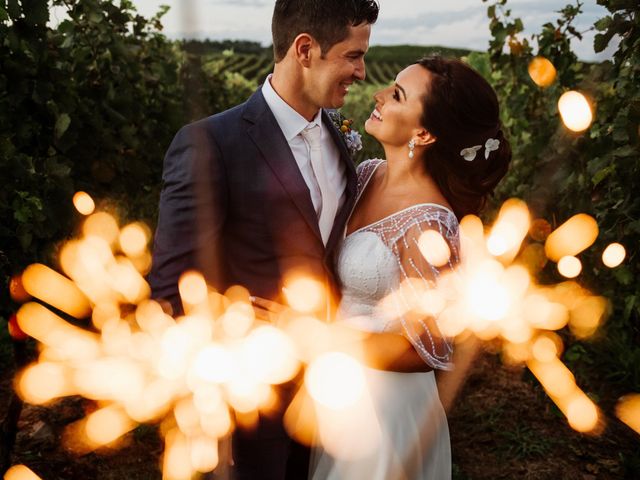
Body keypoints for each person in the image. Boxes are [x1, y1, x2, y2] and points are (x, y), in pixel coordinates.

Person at [148, 1, 380, 478]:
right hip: (248, 408)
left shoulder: (338, 138)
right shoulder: (210, 143)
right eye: (352, 56)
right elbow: (170, 293)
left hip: (326, 397)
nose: (361, 71)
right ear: (305, 49)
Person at [310, 56, 512, 479]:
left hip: (387, 414)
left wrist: (323, 339)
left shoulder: (430, 222)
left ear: (423, 132)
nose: (379, 94)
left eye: (397, 94)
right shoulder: (366, 175)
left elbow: (424, 349)